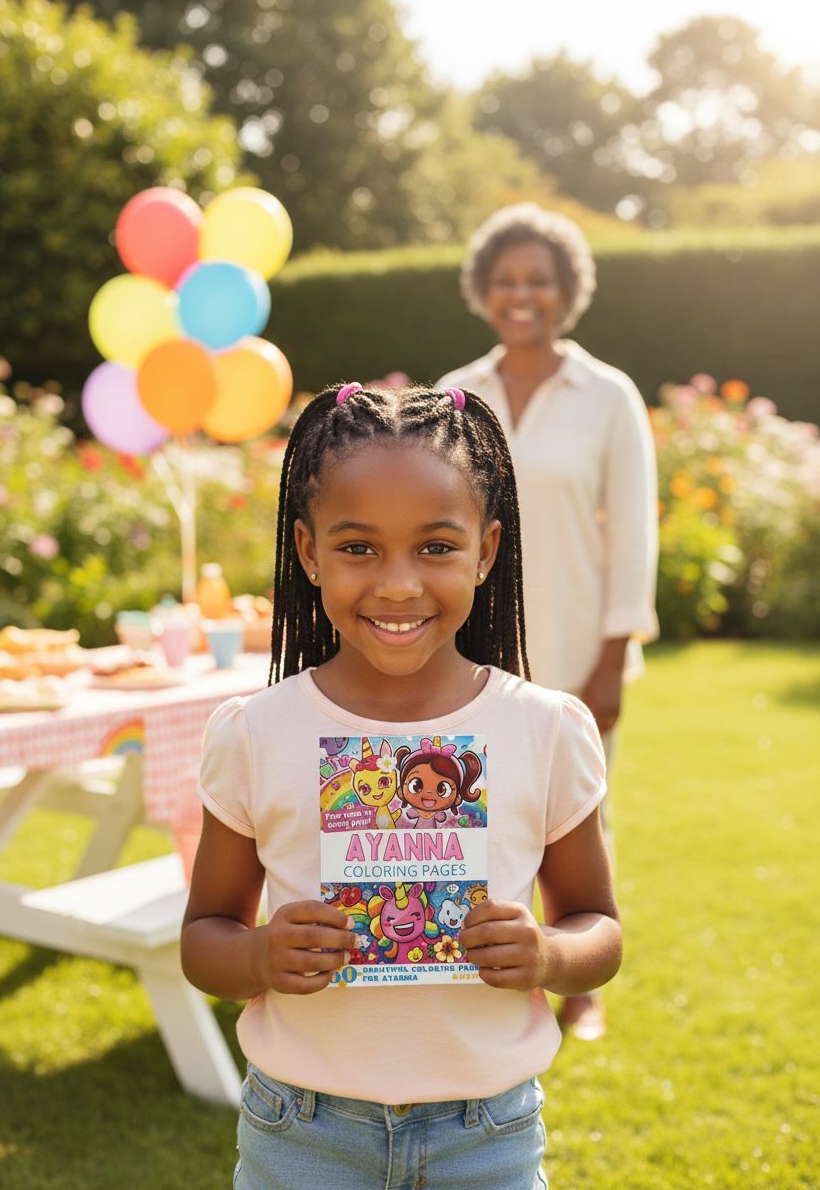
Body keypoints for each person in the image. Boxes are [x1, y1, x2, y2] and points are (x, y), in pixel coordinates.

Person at [181, 382, 622, 1190]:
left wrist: (549, 953)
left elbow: (600, 930)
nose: (397, 585)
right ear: (308, 551)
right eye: (358, 548)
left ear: (486, 551)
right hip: (302, 1130)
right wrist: (258, 954)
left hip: (486, 1134)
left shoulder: (546, 728)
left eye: (436, 547)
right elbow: (205, 937)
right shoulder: (255, 732)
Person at [437, 204, 658, 1039]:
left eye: (538, 280)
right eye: (505, 280)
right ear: (482, 291)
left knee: (579, 817)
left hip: (575, 647)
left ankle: (579, 982)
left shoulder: (607, 396)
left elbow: (633, 533)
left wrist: (613, 657)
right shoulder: (457, 393)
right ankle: (471, 961)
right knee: (477, 814)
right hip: (474, 649)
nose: (521, 295)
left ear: (568, 291)